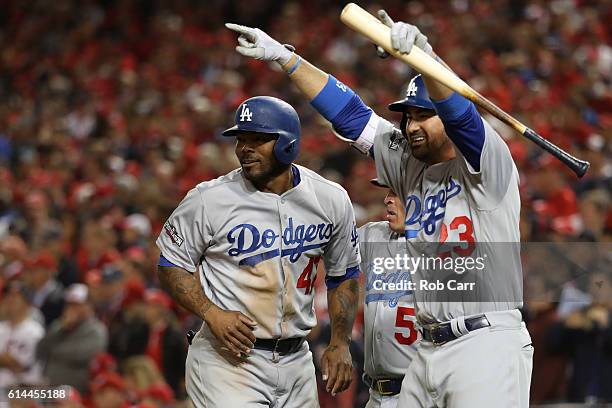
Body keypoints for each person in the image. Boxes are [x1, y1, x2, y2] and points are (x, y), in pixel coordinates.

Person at [227, 10, 532, 407]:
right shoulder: (408, 164)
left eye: (424, 115)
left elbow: (462, 117)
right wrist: (287, 60)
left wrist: (426, 57)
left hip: (485, 342)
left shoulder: (487, 163)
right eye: (407, 117)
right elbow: (351, 115)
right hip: (428, 347)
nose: (411, 126)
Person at [155, 95, 361, 407]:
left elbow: (343, 274)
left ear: (288, 144)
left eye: (258, 139)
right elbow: (171, 263)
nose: (245, 148)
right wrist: (211, 313)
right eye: (241, 139)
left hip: (297, 360)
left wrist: (340, 341)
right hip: (228, 361)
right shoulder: (209, 199)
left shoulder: (329, 198)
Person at [359, 179, 419, 408]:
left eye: (396, 192)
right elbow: (328, 244)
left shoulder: (445, 246)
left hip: (419, 393)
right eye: (387, 192)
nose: (387, 199)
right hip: (375, 394)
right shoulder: (374, 235)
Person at [37, 283, 108, 394]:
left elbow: (79, 354)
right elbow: (40, 349)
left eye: (77, 305)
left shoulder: (96, 330)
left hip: (77, 393)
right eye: (69, 305)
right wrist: (61, 329)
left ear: (89, 305)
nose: (71, 309)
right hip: (50, 390)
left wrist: (53, 350)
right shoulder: (59, 325)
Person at [0, 281, 44, 388]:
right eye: (8, 296)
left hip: (21, 394)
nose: (10, 300)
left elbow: (21, 367)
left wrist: (8, 361)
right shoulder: (1, 327)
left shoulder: (35, 332)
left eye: (15, 297)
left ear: (27, 303)